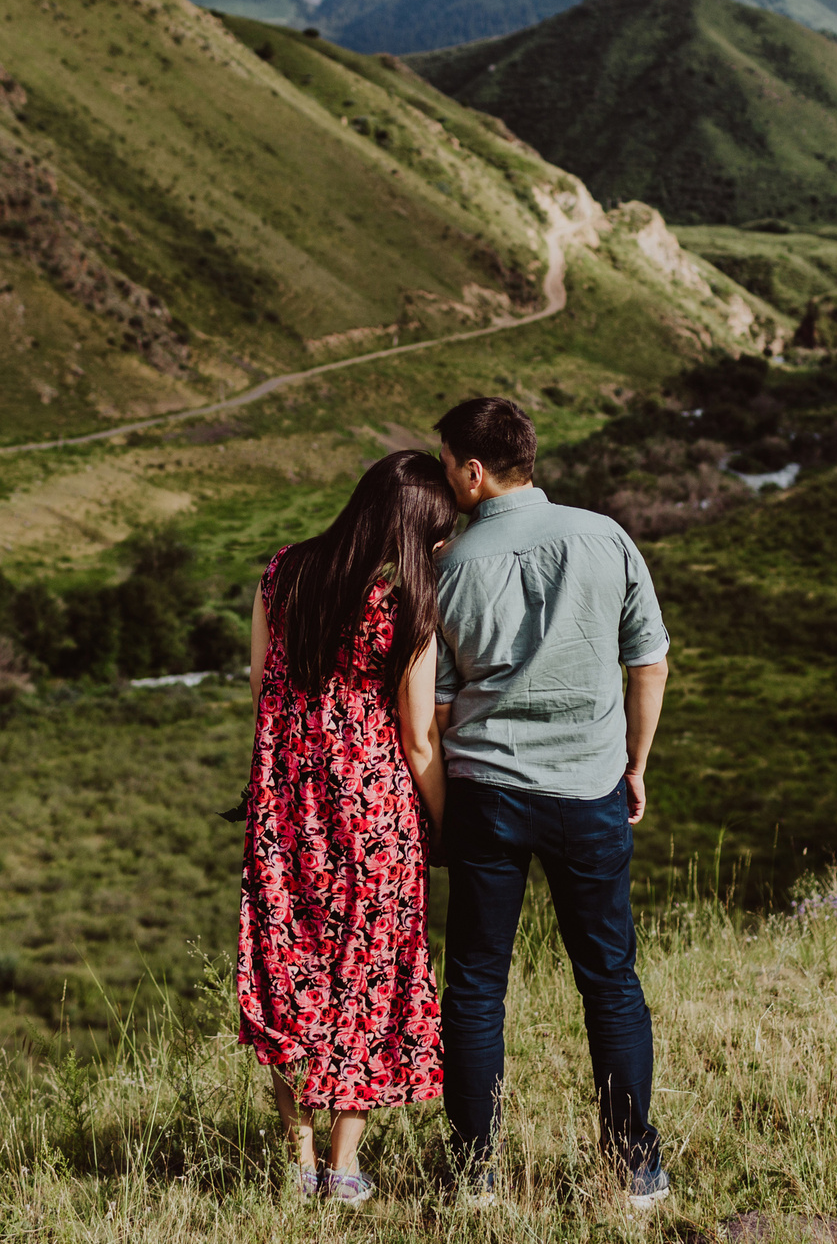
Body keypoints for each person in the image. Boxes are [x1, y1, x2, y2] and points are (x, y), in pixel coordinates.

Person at [429, 395, 672, 1208]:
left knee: (473, 984)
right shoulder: (604, 535)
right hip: (588, 788)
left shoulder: (451, 567)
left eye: (445, 464)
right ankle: (634, 1168)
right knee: (608, 979)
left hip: (486, 793)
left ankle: (476, 1175)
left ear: (473, 469)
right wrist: (634, 764)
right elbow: (649, 663)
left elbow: (435, 705)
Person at [235, 450, 457, 1205]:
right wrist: (446, 823)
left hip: (287, 807)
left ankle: (298, 1158)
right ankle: (345, 1164)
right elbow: (420, 735)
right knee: (367, 974)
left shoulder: (283, 572)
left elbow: (260, 684)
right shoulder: (407, 603)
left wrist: (280, 773)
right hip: (373, 813)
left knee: (289, 968)